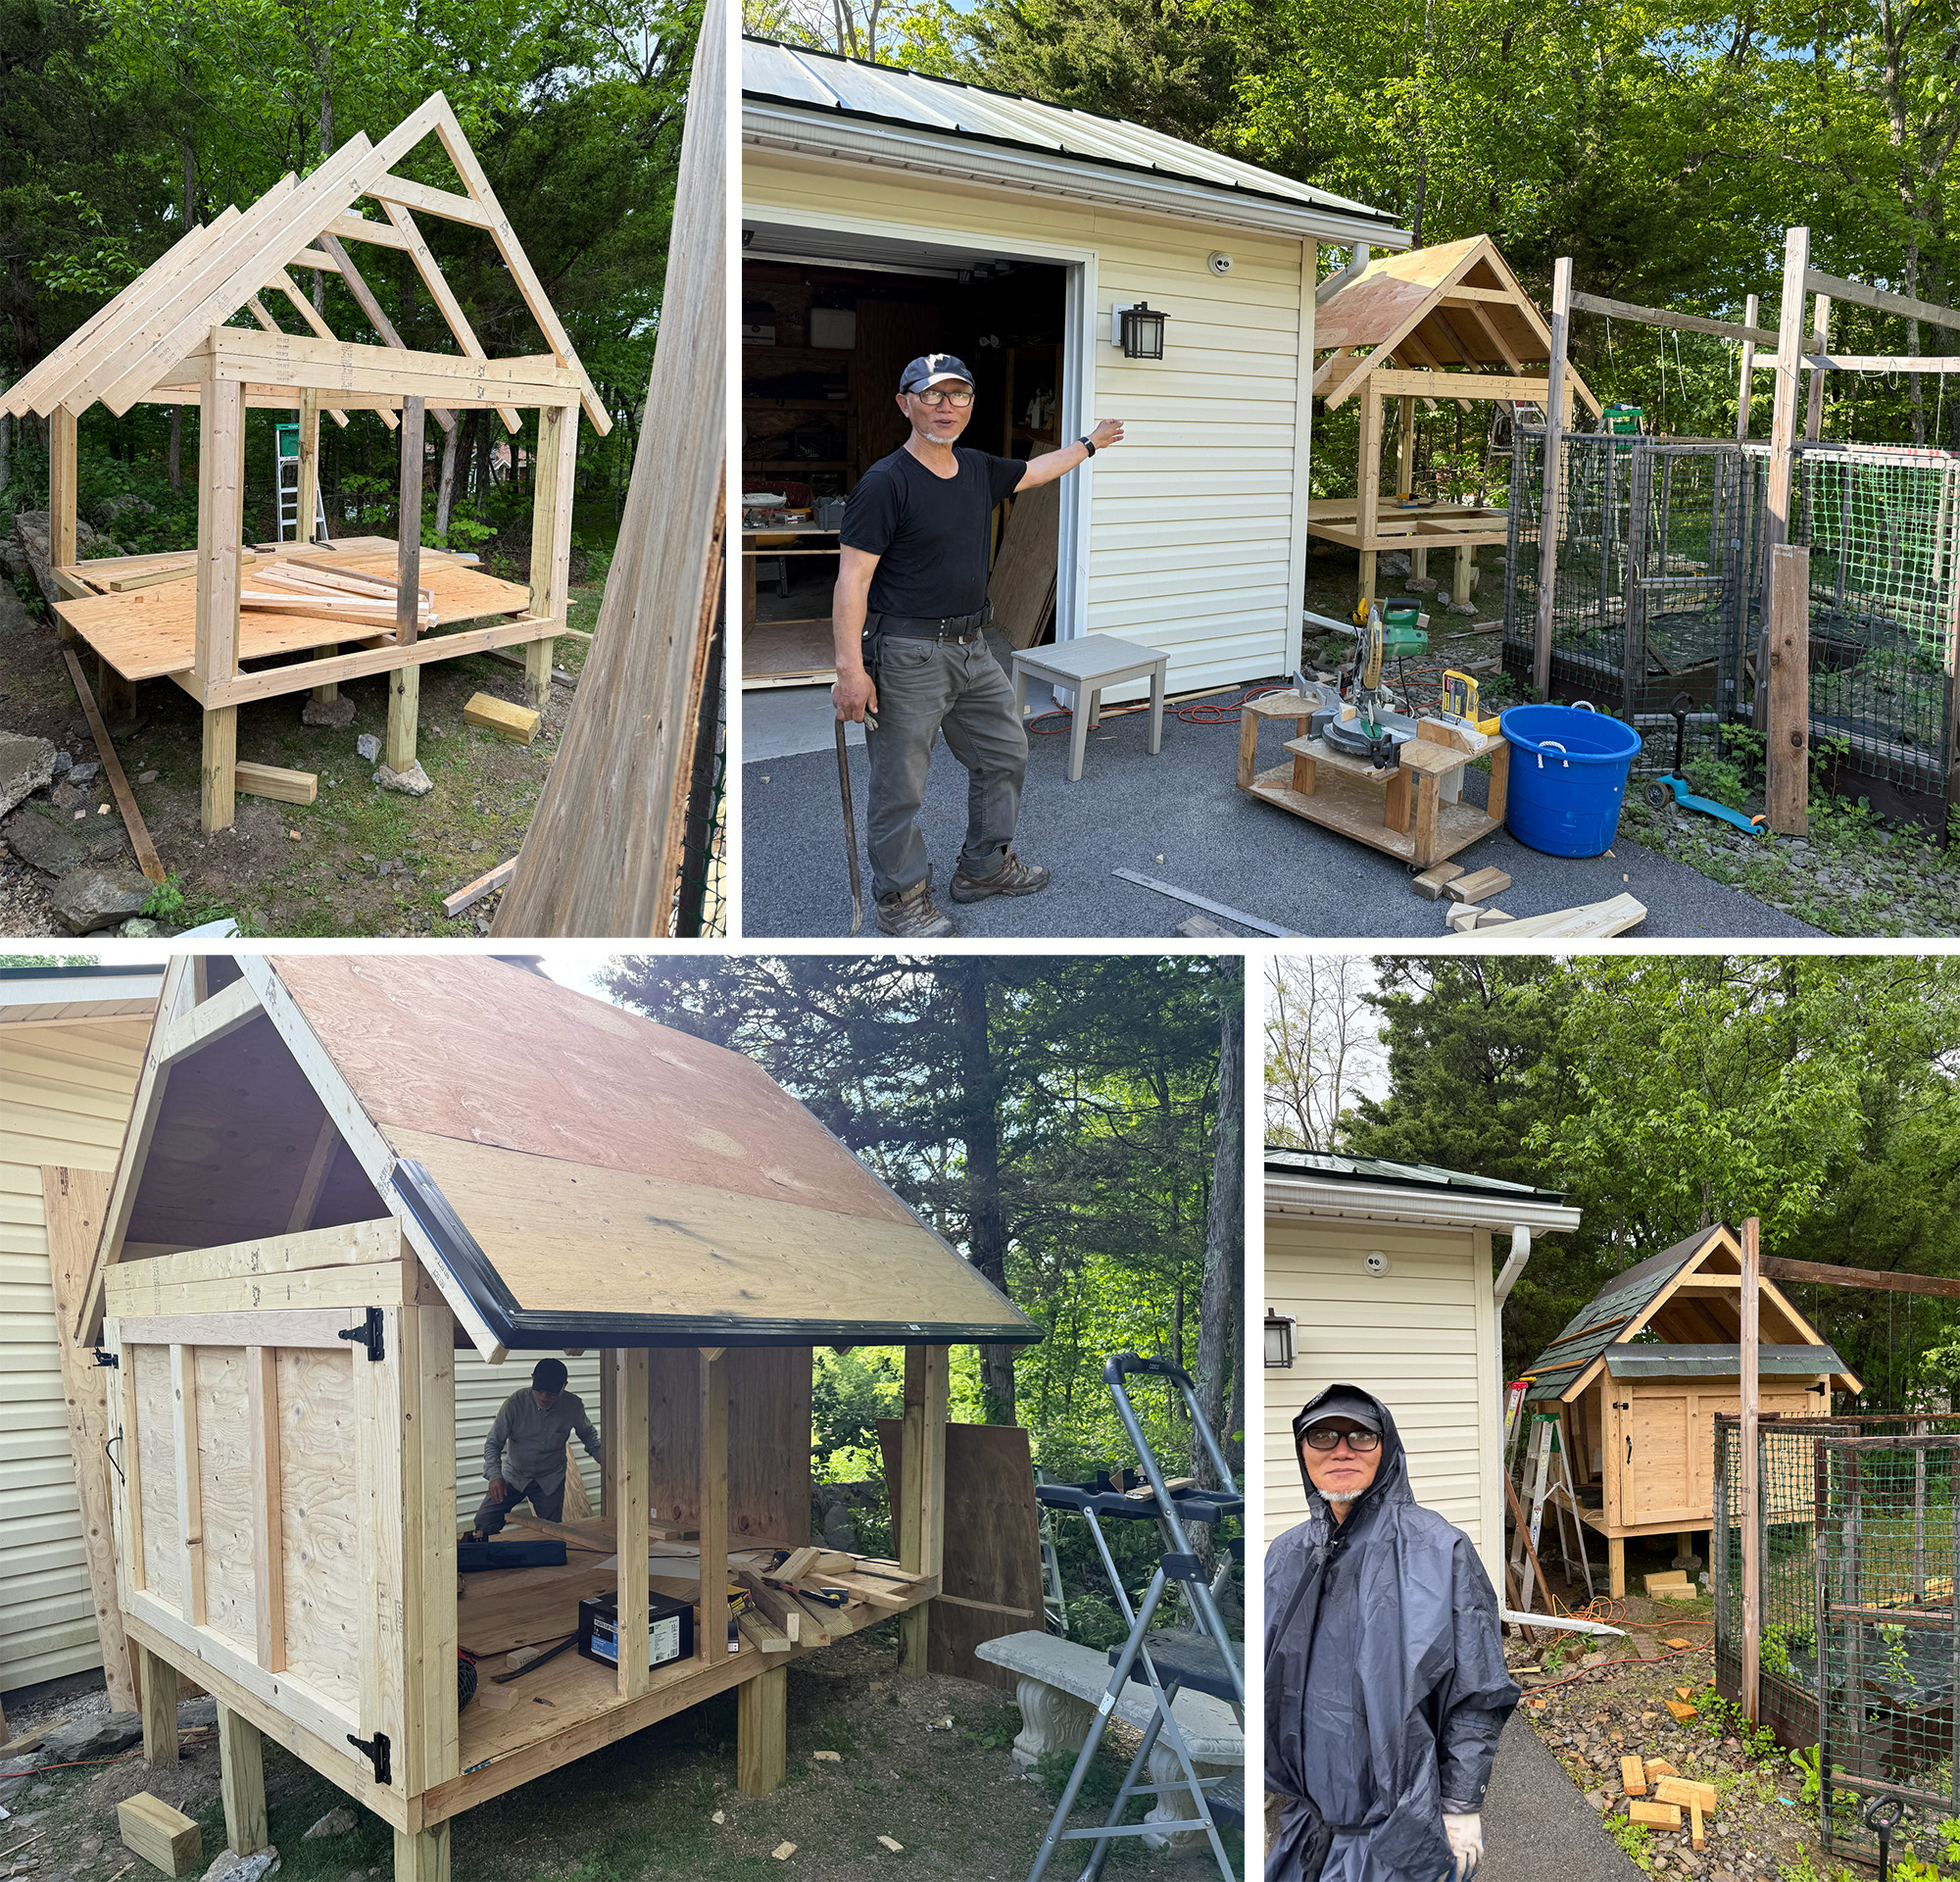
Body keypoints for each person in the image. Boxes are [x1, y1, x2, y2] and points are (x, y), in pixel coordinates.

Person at [831, 352, 1125, 936]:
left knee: (1005, 752)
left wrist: (1089, 445)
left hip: (974, 646)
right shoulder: (885, 483)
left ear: (970, 403)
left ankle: (984, 867)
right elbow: (853, 580)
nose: (946, 407)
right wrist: (848, 671)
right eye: (932, 395)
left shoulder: (976, 468)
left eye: (958, 395)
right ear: (904, 403)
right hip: (908, 653)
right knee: (900, 784)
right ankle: (901, 899)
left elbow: (1037, 472)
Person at [1264, 1384, 1518, 1882]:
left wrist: (1462, 1802)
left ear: (1387, 1447)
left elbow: (1477, 1692)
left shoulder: (1439, 1551)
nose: (1341, 1450)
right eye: (1322, 1436)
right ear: (1302, 1451)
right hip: (1306, 1833)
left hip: (1396, 1840)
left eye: (1361, 1435)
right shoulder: (1285, 1557)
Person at [470, 1358, 603, 1537]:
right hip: (514, 1475)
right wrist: (494, 1476)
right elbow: (493, 1443)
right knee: (484, 1522)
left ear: (564, 1385)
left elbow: (589, 1437)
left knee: (551, 1532)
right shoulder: (515, 1404)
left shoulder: (573, 1406)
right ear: (532, 1379)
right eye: (539, 1390)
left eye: (552, 1393)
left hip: (550, 1480)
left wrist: (607, 1462)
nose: (544, 1397)